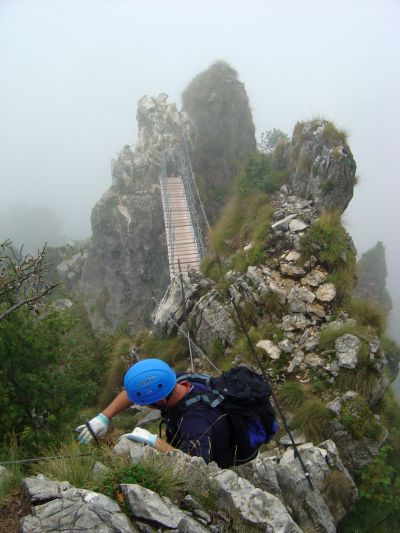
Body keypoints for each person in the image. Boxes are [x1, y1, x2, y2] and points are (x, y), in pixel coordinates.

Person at [76, 358, 236, 468]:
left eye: (144, 403)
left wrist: (154, 442)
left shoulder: (193, 422)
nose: (141, 404)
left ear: (160, 402)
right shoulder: (175, 380)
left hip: (223, 454)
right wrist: (104, 417)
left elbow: (197, 467)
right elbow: (136, 389)